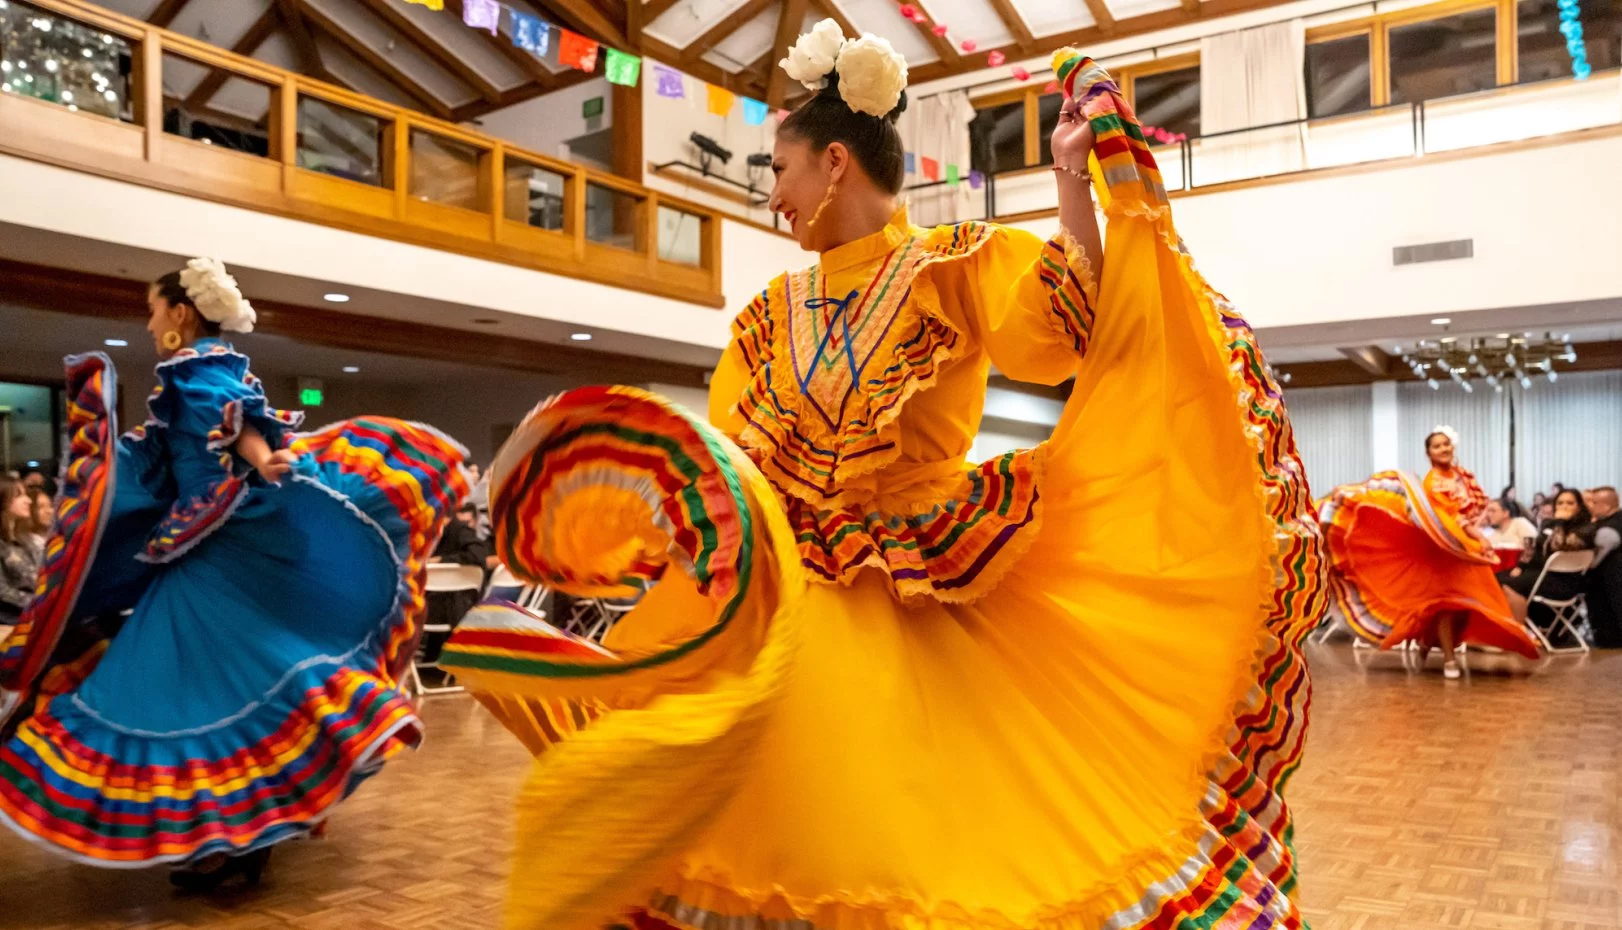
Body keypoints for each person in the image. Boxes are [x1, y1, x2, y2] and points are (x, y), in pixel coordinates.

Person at [439, 36, 1327, 930]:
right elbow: (738, 456)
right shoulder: (764, 318)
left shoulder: (952, 263)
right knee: (755, 818)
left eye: (779, 169)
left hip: (917, 584)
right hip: (786, 590)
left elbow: (1061, 328)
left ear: (835, 163)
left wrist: (1070, 180)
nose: (773, 196)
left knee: (901, 835)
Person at [0, 259, 468, 888]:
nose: (148, 322)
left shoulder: (198, 373)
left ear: (180, 314)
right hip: (200, 545)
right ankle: (232, 843)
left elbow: (239, 420)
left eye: (153, 310)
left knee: (176, 692)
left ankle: (228, 844)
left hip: (212, 550)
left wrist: (263, 458)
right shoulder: (206, 369)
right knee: (209, 691)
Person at [1320, 428, 1541, 678]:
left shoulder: (1462, 476)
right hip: (1442, 548)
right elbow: (1442, 516)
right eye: (1437, 446)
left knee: (1467, 603)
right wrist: (1474, 535)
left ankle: (1428, 643)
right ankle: (1449, 659)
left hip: (1463, 548)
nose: (1443, 449)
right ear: (1428, 453)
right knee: (1446, 603)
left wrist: (1476, 536)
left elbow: (1470, 512)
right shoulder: (1431, 482)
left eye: (1446, 444)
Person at [1502, 488, 1611, 625]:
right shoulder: (1548, 523)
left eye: (1569, 503)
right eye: (1560, 503)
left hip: (1564, 581)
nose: (1564, 506)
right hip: (1539, 573)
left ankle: (1519, 632)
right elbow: (1533, 547)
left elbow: (1559, 546)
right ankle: (1502, 628)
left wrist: (1560, 522)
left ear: (1579, 506)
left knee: (1509, 585)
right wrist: (1520, 566)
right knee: (1496, 578)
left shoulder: (1586, 528)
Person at [0, 479, 43, 628]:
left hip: (37, 617)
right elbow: (3, 592)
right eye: (19, 495)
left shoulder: (26, 540)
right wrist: (42, 604)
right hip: (13, 623)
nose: (29, 501)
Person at [1585, 486, 1622, 647]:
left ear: (1606, 506)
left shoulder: (1608, 528)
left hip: (1609, 581)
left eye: (1593, 502)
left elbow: (1593, 561)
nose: (1589, 505)